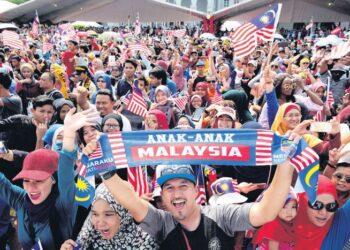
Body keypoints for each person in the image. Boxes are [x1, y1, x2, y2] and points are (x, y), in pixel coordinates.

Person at [94, 130, 297, 250]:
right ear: (162, 195)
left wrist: (285, 162)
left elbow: (267, 211)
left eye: (183, 186)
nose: (177, 193)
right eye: (169, 188)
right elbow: (130, 200)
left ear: (195, 190)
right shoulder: (161, 222)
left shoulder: (222, 215)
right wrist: (104, 167)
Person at [0, 107, 99, 249]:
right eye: (26, 180)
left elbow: (65, 171)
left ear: (53, 180)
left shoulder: (64, 202)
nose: (30, 187)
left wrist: (69, 135)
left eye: (38, 180)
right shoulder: (21, 199)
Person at [60, 183, 159, 250]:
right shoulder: (90, 231)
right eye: (95, 214)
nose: (100, 222)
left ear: (125, 212)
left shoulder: (145, 238)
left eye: (108, 214)